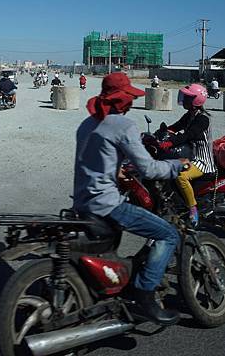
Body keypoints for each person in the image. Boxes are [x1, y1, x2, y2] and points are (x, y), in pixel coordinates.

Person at [73, 72, 189, 325]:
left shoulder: (86, 124)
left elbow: (93, 160)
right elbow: (148, 169)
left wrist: (116, 169)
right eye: (129, 98)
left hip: (81, 202)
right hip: (106, 204)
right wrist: (175, 165)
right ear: (121, 100)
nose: (131, 102)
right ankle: (144, 294)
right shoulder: (124, 126)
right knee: (168, 234)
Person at [159, 84, 215, 226]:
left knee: (181, 175)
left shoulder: (203, 119)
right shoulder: (190, 115)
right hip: (191, 156)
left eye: (188, 98)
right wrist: (162, 133)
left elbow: (188, 135)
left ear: (196, 100)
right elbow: (176, 127)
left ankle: (192, 208)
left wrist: (170, 142)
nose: (184, 100)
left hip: (202, 160)